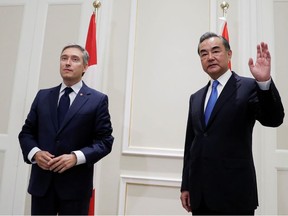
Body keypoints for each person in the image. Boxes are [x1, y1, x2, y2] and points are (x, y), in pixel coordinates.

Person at [180, 32, 284, 215]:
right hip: (200, 195)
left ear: (229, 54)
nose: (210, 57)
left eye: (215, 51)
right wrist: (186, 186)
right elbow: (191, 146)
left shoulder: (249, 87)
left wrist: (264, 83)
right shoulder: (195, 98)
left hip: (234, 196)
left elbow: (273, 119)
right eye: (203, 54)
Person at [18, 44, 114, 215]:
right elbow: (26, 133)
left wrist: (76, 157)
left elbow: (105, 142)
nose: (67, 63)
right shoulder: (43, 96)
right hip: (42, 185)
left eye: (74, 59)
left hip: (75, 188)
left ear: (85, 67)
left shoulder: (97, 100)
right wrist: (35, 153)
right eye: (64, 58)